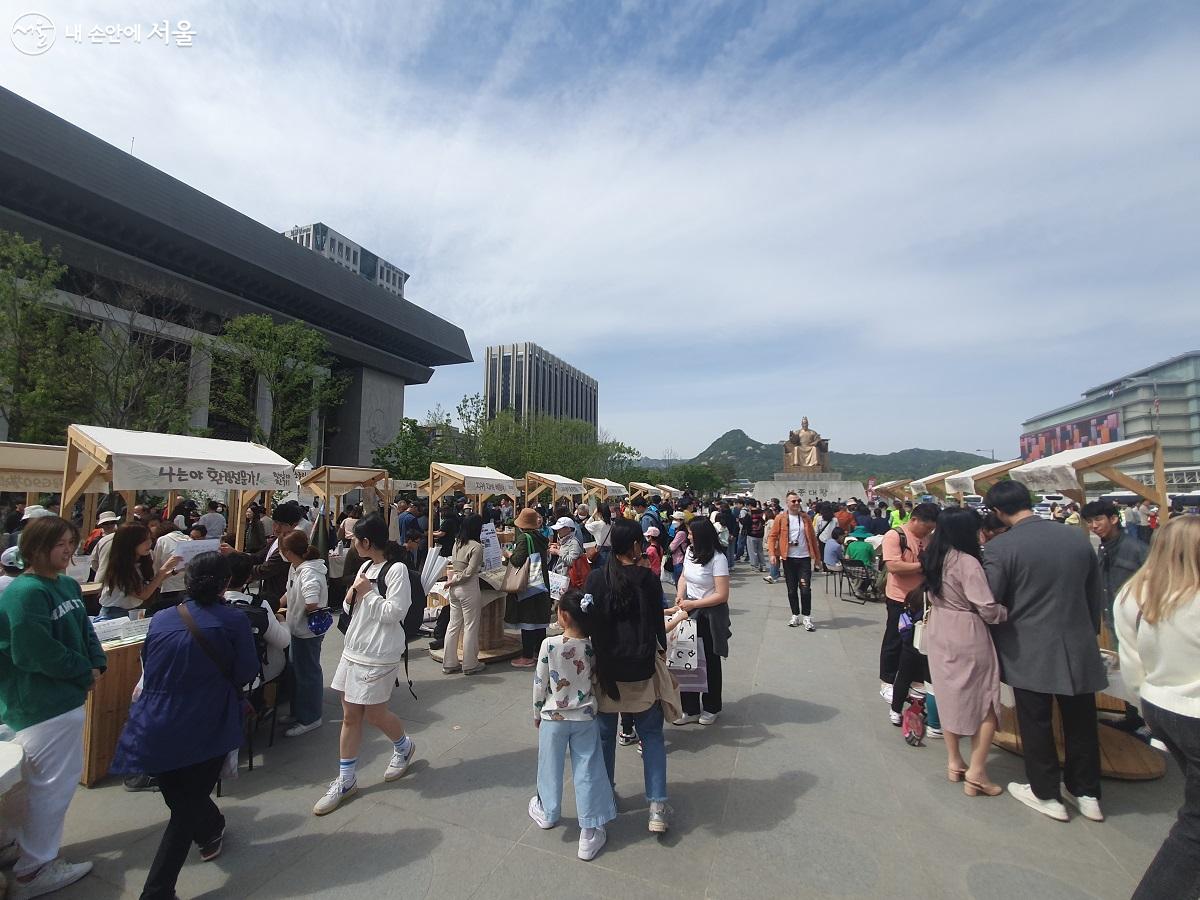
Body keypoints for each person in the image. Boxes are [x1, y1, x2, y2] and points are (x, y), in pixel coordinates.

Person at [110, 552, 257, 900]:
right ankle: (158, 889)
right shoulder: (232, 620)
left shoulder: (161, 618)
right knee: (186, 804)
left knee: (178, 793)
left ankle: (210, 828)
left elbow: (149, 662)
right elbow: (246, 672)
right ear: (225, 583)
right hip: (205, 719)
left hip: (154, 719)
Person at [983, 480, 1106, 822]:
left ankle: (1047, 793)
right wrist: (1089, 631)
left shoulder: (1002, 548)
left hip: (1029, 645)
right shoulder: (1077, 538)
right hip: (1078, 642)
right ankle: (1087, 792)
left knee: (1035, 721)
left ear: (997, 510)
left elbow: (991, 600)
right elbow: (1093, 595)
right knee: (1081, 720)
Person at [0, 516, 105, 898]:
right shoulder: (23, 593)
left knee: (28, 784)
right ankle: (34, 869)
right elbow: (33, 653)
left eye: (71, 542)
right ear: (35, 548)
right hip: (38, 704)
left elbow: (84, 631)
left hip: (62, 700)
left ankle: (15, 846)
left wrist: (97, 664)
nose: (69, 550)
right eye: (61, 544)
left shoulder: (66, 584)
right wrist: (83, 670)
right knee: (49, 788)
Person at [1114, 516, 1200, 899]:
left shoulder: (1134, 593)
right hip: (1193, 712)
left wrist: (1145, 704)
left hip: (1159, 707)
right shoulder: (1193, 597)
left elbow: (1132, 665)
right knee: (1194, 828)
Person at [314, 514, 417, 816]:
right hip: (354, 649)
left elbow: (394, 612)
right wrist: (352, 594)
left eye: (354, 540)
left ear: (367, 541)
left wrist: (366, 592)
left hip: (379, 652)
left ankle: (403, 746)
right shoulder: (364, 567)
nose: (351, 544)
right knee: (349, 715)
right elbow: (350, 607)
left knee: (374, 714)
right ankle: (346, 778)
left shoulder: (396, 570)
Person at [585, 519, 677, 834]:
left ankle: (606, 792)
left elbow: (588, 623)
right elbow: (655, 624)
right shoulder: (649, 580)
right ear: (637, 546)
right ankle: (656, 807)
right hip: (641, 669)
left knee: (606, 736)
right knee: (651, 736)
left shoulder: (597, 579)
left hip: (607, 671)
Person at [919, 507, 1008, 795]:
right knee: (985, 698)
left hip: (940, 626)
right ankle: (977, 771)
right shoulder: (967, 562)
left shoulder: (934, 555)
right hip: (965, 629)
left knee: (948, 694)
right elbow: (986, 606)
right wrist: (1007, 613)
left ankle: (954, 760)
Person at [528, 588, 617, 860]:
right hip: (584, 717)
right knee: (587, 769)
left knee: (549, 765)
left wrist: (536, 711)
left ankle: (548, 811)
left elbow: (540, 682)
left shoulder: (549, 644)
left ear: (563, 616)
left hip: (553, 716)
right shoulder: (591, 647)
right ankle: (589, 831)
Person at [878, 503, 940, 702]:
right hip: (899, 597)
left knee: (917, 641)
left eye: (931, 529)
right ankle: (887, 680)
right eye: (926, 527)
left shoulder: (928, 538)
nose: (928, 532)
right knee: (895, 639)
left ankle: (914, 679)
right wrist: (923, 566)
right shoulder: (895, 535)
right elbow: (894, 566)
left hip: (922, 598)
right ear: (914, 520)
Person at [674, 517, 732, 725]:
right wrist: (681, 595)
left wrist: (694, 604)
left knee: (709, 660)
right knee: (686, 660)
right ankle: (689, 708)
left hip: (709, 615)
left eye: (691, 533)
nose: (688, 536)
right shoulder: (690, 552)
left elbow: (722, 595)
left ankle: (711, 706)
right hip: (689, 610)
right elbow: (683, 577)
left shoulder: (718, 558)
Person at [276, 530, 328, 737]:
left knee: (308, 674)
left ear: (287, 551)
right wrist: (275, 606)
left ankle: (311, 717)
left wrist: (307, 609)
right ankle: (298, 711)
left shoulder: (308, 572)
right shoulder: (295, 567)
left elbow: (311, 600)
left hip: (307, 631)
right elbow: (289, 593)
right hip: (295, 628)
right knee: (297, 671)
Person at [224, 551, 290, 684]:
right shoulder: (259, 605)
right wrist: (282, 621)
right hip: (248, 678)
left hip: (211, 675)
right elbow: (283, 641)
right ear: (249, 578)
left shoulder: (206, 603)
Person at [98, 524, 181, 620]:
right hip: (114, 613)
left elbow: (151, 583)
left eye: (150, 539)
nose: (149, 543)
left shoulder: (141, 562)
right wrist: (163, 570)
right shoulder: (120, 567)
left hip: (134, 610)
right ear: (129, 542)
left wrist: (174, 571)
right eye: (143, 541)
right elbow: (143, 594)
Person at [504, 508, 553, 669]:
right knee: (539, 621)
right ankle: (540, 653)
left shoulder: (524, 538)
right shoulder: (541, 537)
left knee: (528, 620)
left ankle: (527, 656)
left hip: (529, 585)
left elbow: (518, 560)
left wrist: (508, 555)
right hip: (541, 582)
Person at [768, 492, 820, 631]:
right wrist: (772, 553)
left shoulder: (806, 518)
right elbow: (772, 536)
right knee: (791, 590)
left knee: (805, 589)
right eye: (793, 501)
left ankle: (807, 617)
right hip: (788, 558)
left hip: (804, 558)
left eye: (798, 501)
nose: (796, 503)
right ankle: (795, 614)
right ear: (787, 503)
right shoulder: (781, 518)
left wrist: (817, 559)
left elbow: (813, 539)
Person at [442, 513, 485, 675]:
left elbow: (456, 566)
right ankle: (470, 663)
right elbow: (470, 571)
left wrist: (452, 581)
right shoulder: (476, 546)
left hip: (454, 589)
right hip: (468, 587)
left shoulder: (457, 543)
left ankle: (449, 662)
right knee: (470, 626)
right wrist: (456, 580)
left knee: (453, 625)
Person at [246, 500, 304, 611]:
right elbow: (258, 556)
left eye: (283, 525)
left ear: (294, 525)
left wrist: (243, 570)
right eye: (275, 523)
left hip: (281, 596)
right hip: (270, 593)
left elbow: (266, 569)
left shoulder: (291, 545)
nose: (277, 528)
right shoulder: (276, 540)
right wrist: (237, 555)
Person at [150, 521, 192, 613]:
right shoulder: (189, 539)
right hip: (188, 585)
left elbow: (156, 564)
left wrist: (156, 583)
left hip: (169, 586)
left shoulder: (162, 540)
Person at [745, 500, 766, 572]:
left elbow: (746, 523)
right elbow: (763, 521)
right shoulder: (761, 512)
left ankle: (755, 566)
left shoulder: (749, 513)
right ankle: (763, 566)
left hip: (751, 534)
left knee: (753, 551)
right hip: (760, 534)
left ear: (750, 505)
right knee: (760, 551)